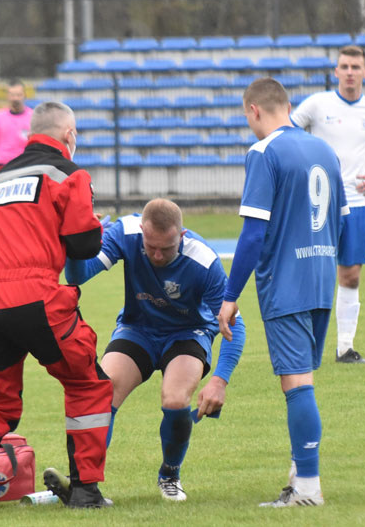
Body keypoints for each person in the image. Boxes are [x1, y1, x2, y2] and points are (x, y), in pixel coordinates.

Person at [0, 101, 113, 514]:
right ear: (69, 136)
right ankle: (85, 490)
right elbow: (85, 244)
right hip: (36, 298)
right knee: (87, 384)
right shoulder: (68, 174)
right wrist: (94, 225)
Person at [61, 198, 246, 502]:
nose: (157, 256)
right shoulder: (127, 233)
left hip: (187, 333)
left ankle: (170, 475)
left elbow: (235, 326)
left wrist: (219, 380)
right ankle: (82, 482)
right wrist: (76, 244)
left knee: (175, 400)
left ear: (182, 236)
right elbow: (77, 276)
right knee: (101, 392)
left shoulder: (204, 262)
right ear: (142, 231)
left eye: (167, 248)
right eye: (151, 246)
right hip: (139, 330)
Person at [218, 77, 347, 508]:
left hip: (286, 282)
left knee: (296, 385)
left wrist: (231, 294)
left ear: (254, 110)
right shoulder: (323, 150)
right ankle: (298, 474)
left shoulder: (264, 152)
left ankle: (308, 488)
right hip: (321, 281)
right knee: (301, 380)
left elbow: (253, 234)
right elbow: (341, 221)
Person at [290, 44, 365, 365]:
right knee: (312, 272)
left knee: (351, 276)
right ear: (336, 71)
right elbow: (285, 134)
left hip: (357, 204)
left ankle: (345, 349)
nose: (350, 72)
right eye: (344, 66)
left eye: (356, 67)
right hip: (318, 205)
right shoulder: (317, 105)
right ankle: (301, 345)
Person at [0, 78, 33, 167]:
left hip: (24, 165)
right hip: (1, 165)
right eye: (12, 95)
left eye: (19, 95)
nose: (15, 98)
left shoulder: (33, 117)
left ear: (25, 95)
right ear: (7, 96)